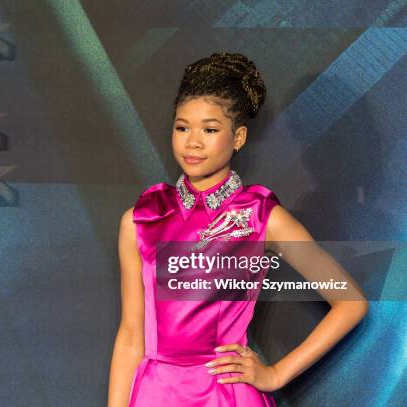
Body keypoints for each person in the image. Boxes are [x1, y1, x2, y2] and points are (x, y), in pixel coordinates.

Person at [107, 52, 369, 406]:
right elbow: (130, 337)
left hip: (225, 395)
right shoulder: (140, 221)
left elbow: (350, 303)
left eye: (210, 129)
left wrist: (275, 373)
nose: (193, 141)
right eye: (182, 127)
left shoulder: (262, 218)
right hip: (155, 393)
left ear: (239, 137)